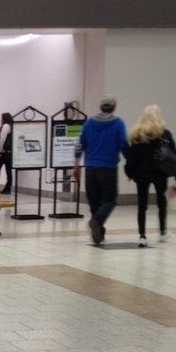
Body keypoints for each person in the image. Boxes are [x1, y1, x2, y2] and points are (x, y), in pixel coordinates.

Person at [125, 105, 176, 247]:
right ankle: (162, 232)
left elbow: (131, 157)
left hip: (141, 174)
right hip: (159, 173)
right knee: (161, 202)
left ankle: (142, 236)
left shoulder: (137, 135)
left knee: (142, 205)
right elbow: (174, 155)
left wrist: (129, 172)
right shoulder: (164, 134)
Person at [72, 94, 128, 245]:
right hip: (108, 167)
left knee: (94, 200)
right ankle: (96, 222)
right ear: (114, 107)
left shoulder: (89, 123)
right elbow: (123, 144)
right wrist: (130, 162)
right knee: (109, 199)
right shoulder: (118, 124)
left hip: (90, 167)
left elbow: (79, 144)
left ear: (100, 107)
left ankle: (99, 231)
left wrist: (76, 165)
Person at [0, 112, 14, 194]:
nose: (0, 120)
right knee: (8, 171)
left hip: (3, 153)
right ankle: (8, 187)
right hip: (10, 153)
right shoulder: (12, 126)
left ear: (4, 119)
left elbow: (2, 139)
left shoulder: (5, 126)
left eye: (1, 118)